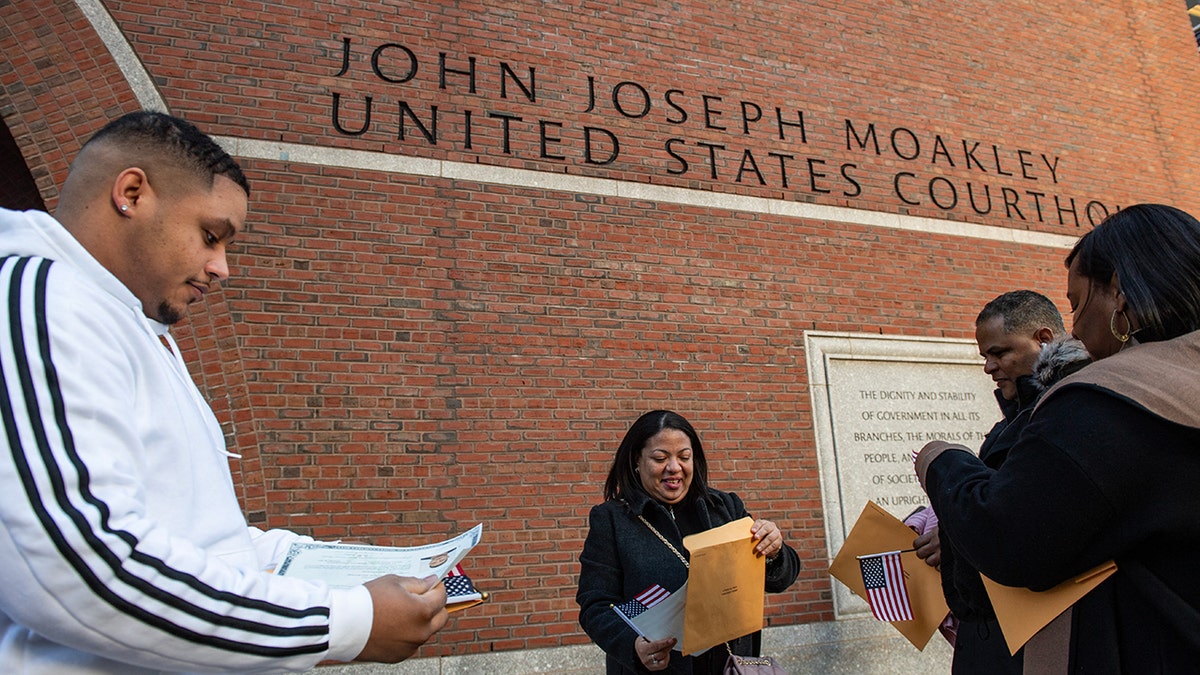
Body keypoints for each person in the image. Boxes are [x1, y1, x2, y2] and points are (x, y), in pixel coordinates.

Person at [0, 111, 448, 673]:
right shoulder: (40, 301)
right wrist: (344, 623)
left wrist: (315, 563)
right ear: (132, 193)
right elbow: (76, 562)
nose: (222, 268)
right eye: (211, 236)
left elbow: (193, 535)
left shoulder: (123, 324)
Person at [915, 204, 1200, 671]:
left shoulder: (1107, 404)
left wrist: (942, 460)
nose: (1078, 329)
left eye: (1076, 303)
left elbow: (1008, 538)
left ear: (1120, 294)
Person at [907, 290, 1090, 674]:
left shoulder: (1069, 413)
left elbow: (1035, 521)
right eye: (984, 357)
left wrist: (961, 524)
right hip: (997, 632)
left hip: (1043, 632)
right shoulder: (1013, 420)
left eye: (1000, 352)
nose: (989, 366)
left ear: (1042, 339)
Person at [576, 410, 800, 674]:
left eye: (684, 457)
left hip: (730, 666)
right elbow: (596, 605)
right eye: (660, 458)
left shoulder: (726, 508)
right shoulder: (612, 520)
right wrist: (633, 645)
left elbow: (780, 579)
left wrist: (774, 551)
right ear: (637, 460)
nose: (674, 467)